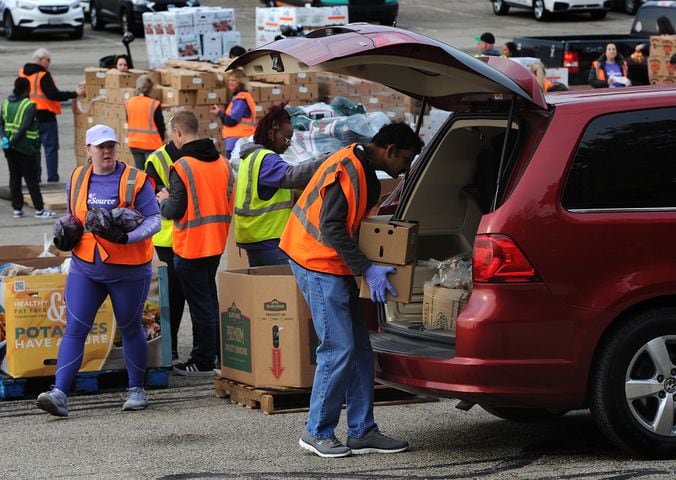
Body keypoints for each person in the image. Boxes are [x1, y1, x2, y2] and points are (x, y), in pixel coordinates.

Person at [280, 122, 424, 458]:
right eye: (405, 158)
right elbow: (331, 227)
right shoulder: (351, 168)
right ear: (390, 150)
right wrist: (366, 269)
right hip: (314, 261)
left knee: (359, 349)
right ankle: (317, 432)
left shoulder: (361, 167)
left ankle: (362, 431)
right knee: (338, 347)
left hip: (331, 263)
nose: (406, 166)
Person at [36, 124, 161, 417]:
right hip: (86, 268)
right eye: (100, 146)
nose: (106, 151)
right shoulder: (78, 178)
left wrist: (127, 237)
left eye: (111, 146)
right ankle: (59, 394)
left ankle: (136, 391)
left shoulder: (135, 180)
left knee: (130, 328)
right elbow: (74, 216)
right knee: (75, 328)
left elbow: (155, 220)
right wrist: (67, 231)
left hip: (128, 271)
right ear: (88, 150)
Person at [156, 111, 234, 376]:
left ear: (177, 132)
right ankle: (217, 354)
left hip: (190, 246)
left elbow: (174, 209)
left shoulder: (183, 167)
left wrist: (163, 200)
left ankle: (202, 361)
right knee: (209, 301)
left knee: (201, 306)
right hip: (216, 242)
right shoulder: (222, 162)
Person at [235, 103, 323, 267]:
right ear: (272, 133)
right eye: (287, 138)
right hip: (268, 238)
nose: (289, 143)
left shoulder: (251, 157)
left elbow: (269, 194)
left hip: (254, 236)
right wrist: (326, 161)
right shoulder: (266, 158)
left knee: (266, 288)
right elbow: (292, 176)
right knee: (282, 288)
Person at [144, 139, 185, 362]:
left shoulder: (193, 154)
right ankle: (172, 345)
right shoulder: (157, 160)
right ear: (177, 133)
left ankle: (182, 347)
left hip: (190, 234)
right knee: (173, 293)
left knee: (186, 293)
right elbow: (154, 198)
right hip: (167, 236)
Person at [19, 48, 85, 183]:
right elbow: (53, 94)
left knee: (34, 150)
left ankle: (35, 179)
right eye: (48, 60)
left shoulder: (23, 73)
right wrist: (74, 93)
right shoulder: (43, 75)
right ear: (40, 60)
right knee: (50, 149)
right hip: (46, 116)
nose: (50, 62)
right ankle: (52, 179)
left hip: (29, 117)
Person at [0, 77, 55, 219]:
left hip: (9, 148)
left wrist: (4, 139)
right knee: (31, 179)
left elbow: (1, 123)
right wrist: (13, 142)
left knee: (15, 177)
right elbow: (24, 127)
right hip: (25, 147)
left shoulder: (6, 103)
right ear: (27, 88)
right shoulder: (28, 105)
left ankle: (17, 209)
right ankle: (39, 209)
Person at [209, 68, 256, 160]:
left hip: (238, 139)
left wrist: (219, 113)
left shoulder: (240, 99)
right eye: (229, 80)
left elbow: (232, 120)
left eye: (233, 80)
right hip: (240, 138)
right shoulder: (240, 97)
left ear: (241, 82)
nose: (230, 82)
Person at [126, 75, 165, 169]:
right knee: (152, 175)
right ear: (150, 88)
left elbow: (129, 120)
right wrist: (162, 139)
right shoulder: (154, 104)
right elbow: (160, 126)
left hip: (134, 143)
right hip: (151, 144)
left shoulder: (129, 102)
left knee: (140, 174)